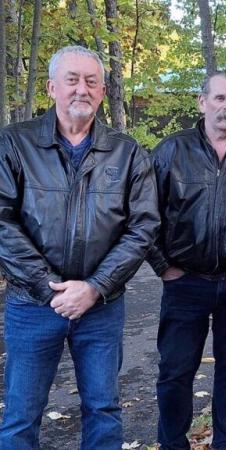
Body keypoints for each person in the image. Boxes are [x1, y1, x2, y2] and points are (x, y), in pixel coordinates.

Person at [0, 45, 159, 450]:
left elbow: (143, 227)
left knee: (103, 410)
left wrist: (94, 287)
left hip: (101, 307)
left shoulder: (127, 154)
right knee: (21, 414)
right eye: (72, 80)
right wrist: (50, 288)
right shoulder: (14, 144)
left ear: (103, 92)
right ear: (52, 87)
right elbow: (2, 219)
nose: (81, 89)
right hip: (32, 304)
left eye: (91, 81)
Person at [146, 70, 226, 450]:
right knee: (175, 372)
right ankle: (172, 444)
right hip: (186, 282)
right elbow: (143, 215)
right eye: (219, 98)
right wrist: (164, 266)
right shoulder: (171, 151)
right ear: (202, 102)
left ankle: (225, 445)